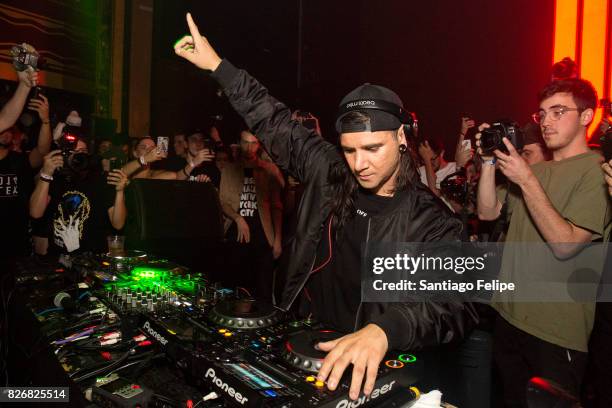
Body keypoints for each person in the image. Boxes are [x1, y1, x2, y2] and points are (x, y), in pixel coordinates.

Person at [175, 12, 477, 400]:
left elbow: (458, 303)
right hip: (302, 343)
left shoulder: (432, 221)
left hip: (373, 369)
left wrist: (387, 329)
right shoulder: (330, 172)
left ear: (401, 137)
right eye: (350, 150)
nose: (360, 163)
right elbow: (274, 120)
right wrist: (219, 67)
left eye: (373, 148)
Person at [476, 78, 611, 405]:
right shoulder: (538, 169)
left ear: (586, 116)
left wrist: (525, 179)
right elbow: (487, 210)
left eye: (558, 111)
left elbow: (566, 244)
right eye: (542, 114)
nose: (547, 121)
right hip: (508, 317)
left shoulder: (596, 170)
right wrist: (488, 162)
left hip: (554, 331)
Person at [30, 138, 129, 256]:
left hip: (91, 260)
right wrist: (45, 174)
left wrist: (120, 192)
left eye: (82, 151)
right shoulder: (56, 180)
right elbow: (35, 213)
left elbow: (118, 224)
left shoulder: (101, 181)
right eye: (73, 152)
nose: (77, 156)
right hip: (58, 259)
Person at [219, 129, 283, 300]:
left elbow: (277, 207)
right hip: (235, 234)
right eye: (245, 142)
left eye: (253, 143)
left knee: (263, 288)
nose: (249, 147)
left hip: (263, 235)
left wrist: (277, 240)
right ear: (239, 143)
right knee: (233, 287)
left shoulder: (269, 170)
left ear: (259, 145)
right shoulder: (229, 169)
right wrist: (238, 218)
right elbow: (223, 202)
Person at [0, 92, 52, 261]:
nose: (7, 132)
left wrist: (45, 121)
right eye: (3, 128)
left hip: (16, 242)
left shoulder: (19, 161)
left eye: (11, 129)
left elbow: (43, 150)